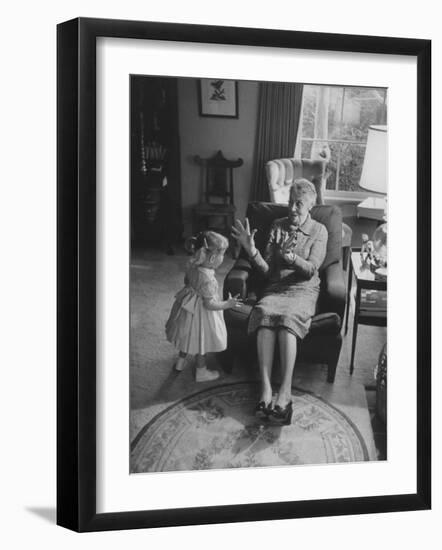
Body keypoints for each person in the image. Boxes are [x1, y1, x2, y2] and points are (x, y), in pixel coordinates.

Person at [231, 179, 328, 423]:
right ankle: (265, 389)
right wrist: (251, 250)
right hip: (275, 288)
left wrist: (291, 257)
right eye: (290, 203)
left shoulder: (319, 231)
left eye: (299, 204)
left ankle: (285, 392)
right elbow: (266, 270)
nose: (292, 209)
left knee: (286, 322)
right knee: (264, 316)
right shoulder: (277, 225)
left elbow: (311, 269)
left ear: (310, 206)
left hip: (303, 290)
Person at [165, 230, 242, 382]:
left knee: (187, 336)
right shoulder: (209, 280)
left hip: (188, 307)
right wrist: (228, 304)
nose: (223, 258)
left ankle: (180, 362)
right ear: (213, 257)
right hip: (201, 314)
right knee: (201, 342)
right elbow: (210, 304)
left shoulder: (193, 265)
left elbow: (187, 282)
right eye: (222, 254)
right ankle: (201, 371)